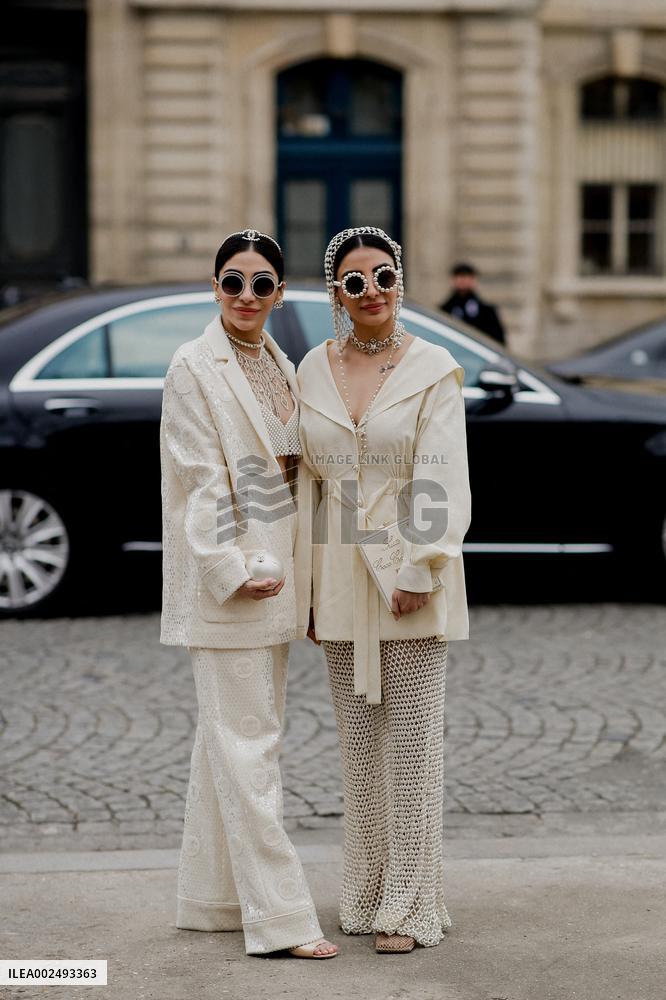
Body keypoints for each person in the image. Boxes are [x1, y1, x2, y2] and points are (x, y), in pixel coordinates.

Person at [159, 228, 338, 959]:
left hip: (281, 578)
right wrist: (233, 569)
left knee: (227, 743)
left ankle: (211, 901)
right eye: (233, 281)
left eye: (261, 284)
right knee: (249, 747)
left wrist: (313, 580)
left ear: (280, 294)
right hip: (232, 584)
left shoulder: (280, 361)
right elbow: (195, 479)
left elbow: (299, 476)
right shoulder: (191, 366)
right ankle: (283, 918)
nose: (245, 296)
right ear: (214, 286)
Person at [297, 226, 472, 953]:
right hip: (338, 572)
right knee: (360, 748)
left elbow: (442, 473)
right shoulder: (312, 367)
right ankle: (365, 892)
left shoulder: (433, 367)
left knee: (413, 747)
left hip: (410, 571)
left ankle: (409, 903)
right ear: (337, 293)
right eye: (354, 280)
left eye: (383, 275)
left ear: (401, 280)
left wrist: (417, 567)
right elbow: (305, 483)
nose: (371, 291)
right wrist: (304, 590)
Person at [440, 262, 506, 344]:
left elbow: (498, 341)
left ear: (473, 279)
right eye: (459, 276)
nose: (463, 280)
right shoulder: (444, 310)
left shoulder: (487, 311)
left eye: (466, 276)